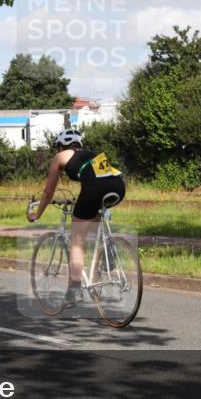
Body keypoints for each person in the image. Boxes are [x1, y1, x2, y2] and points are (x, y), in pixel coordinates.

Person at [28, 129, 126, 308]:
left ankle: (74, 290)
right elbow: (95, 179)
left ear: (59, 147)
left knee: (77, 242)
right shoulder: (91, 154)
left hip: (95, 190)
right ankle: (109, 249)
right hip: (118, 186)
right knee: (92, 214)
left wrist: (37, 214)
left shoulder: (60, 157)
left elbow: (48, 192)